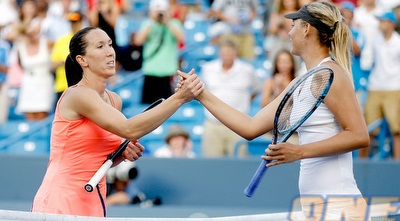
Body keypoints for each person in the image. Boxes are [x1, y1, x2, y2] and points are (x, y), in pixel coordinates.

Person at [179, 2, 370, 220]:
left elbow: (359, 135)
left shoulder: (332, 74)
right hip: (317, 208)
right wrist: (200, 93)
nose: (289, 32)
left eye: (293, 25)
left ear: (306, 29)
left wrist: (298, 151)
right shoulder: (301, 81)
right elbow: (250, 127)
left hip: (339, 206)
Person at [31, 26, 204, 217]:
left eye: (110, 45)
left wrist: (121, 154)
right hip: (59, 200)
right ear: (82, 60)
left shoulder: (114, 100)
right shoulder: (77, 95)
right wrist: (179, 98)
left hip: (94, 201)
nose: (109, 52)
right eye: (100, 46)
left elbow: (98, 160)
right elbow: (130, 129)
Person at [200, 39, 262, 158]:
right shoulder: (208, 68)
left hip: (238, 124)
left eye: (230, 53)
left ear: (235, 53)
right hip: (213, 123)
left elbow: (257, 88)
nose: (227, 56)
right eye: (224, 53)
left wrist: (245, 103)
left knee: (239, 163)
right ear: (219, 53)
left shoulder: (247, 69)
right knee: (211, 162)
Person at [361, 11, 400, 160]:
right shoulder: (375, 40)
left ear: (391, 24)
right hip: (375, 87)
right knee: (368, 129)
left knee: (396, 129)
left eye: (383, 21)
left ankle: (398, 166)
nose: (380, 24)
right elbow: (367, 60)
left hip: (393, 89)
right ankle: (361, 163)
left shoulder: (398, 42)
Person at [135, 0, 184, 104]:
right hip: (150, 71)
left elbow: (181, 38)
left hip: (167, 72)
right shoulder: (147, 24)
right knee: (147, 108)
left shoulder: (174, 23)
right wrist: (152, 21)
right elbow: (138, 41)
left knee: (167, 108)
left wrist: (167, 21)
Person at [15, 21, 54, 121]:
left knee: (42, 112)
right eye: (29, 34)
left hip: (44, 81)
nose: (33, 36)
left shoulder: (47, 43)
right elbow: (21, 64)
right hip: (28, 83)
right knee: (29, 113)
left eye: (35, 32)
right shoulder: (21, 48)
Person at [50, 10, 85, 104]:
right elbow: (52, 65)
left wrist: (67, 62)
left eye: (76, 22)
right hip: (63, 85)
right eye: (72, 23)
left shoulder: (87, 40)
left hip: (83, 85)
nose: (73, 25)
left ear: (81, 22)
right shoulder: (61, 41)